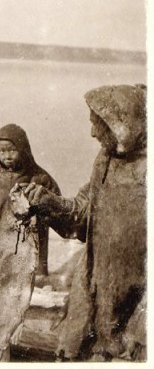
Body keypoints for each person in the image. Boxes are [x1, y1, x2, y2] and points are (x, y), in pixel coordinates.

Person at [23, 84, 146, 362]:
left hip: (134, 305)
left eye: (97, 124)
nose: (92, 132)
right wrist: (49, 202)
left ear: (120, 126)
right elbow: (81, 216)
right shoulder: (105, 160)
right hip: (92, 289)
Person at [0, 123, 61, 284]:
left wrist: (41, 209)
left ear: (23, 149)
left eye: (12, 150)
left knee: (22, 269)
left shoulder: (37, 175)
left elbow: (55, 198)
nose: (7, 156)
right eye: (2, 151)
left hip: (26, 233)